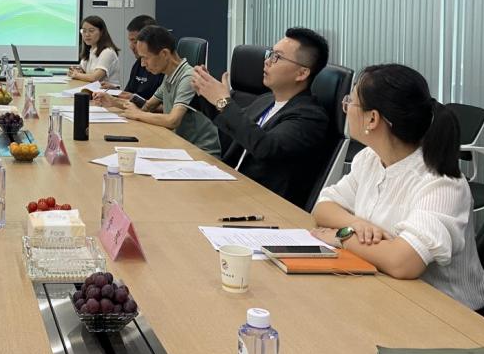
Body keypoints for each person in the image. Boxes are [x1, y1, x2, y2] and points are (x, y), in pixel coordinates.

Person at [312, 64, 484, 310]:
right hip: (382, 290)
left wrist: (342, 237)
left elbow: (403, 262)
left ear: (372, 119)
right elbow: (323, 207)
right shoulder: (370, 158)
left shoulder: (441, 183)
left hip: (442, 311)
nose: (346, 107)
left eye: (350, 102)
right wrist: (356, 225)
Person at [191, 27, 331, 208]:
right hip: (232, 189)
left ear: (302, 73)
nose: (267, 61)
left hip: (264, 206)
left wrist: (223, 102)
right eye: (270, 54)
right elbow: (234, 131)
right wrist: (205, 91)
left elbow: (265, 146)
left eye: (277, 57)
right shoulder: (266, 100)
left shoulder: (310, 117)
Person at [117, 25, 220, 157]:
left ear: (164, 54)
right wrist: (114, 102)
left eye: (145, 58)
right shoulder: (169, 75)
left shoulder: (189, 77)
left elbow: (172, 120)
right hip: (178, 146)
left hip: (201, 153)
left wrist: (137, 114)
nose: (142, 64)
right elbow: (148, 106)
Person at [97, 14, 163, 105]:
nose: (131, 46)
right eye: (130, 41)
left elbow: (161, 107)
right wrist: (116, 92)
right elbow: (130, 93)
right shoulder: (138, 63)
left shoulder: (163, 69)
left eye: (135, 42)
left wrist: (135, 100)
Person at [68, 15, 122, 85]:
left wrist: (76, 75)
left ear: (101, 32)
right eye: (84, 31)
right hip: (92, 89)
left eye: (91, 31)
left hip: (107, 91)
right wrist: (76, 71)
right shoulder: (90, 50)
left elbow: (94, 78)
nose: (87, 34)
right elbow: (82, 71)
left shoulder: (108, 52)